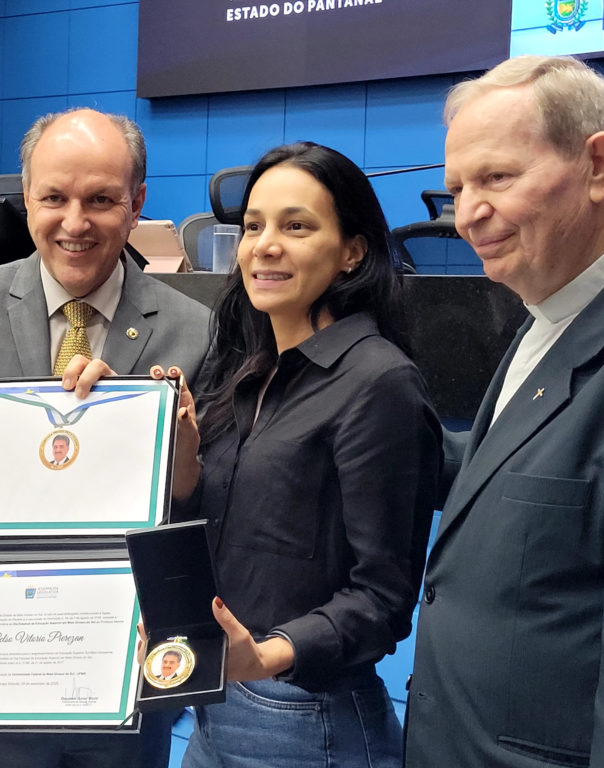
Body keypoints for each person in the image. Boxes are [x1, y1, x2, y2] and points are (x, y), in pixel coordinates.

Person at [0, 107, 210, 768]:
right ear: (26, 197)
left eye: (101, 200)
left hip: (123, 680)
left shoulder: (195, 330)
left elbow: (205, 508)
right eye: (54, 197)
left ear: (137, 202)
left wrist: (181, 458)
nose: (75, 222)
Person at [156, 141, 441, 768]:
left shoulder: (379, 383)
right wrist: (181, 464)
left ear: (352, 251)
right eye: (253, 226)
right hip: (213, 704)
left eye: (296, 226)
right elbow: (237, 533)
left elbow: (383, 595)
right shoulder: (244, 371)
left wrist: (266, 655)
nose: (265, 245)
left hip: (307, 718)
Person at [405, 55, 604, 767]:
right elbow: (517, 473)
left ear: (598, 164)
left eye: (497, 178)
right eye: (457, 188)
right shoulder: (556, 302)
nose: (466, 215)